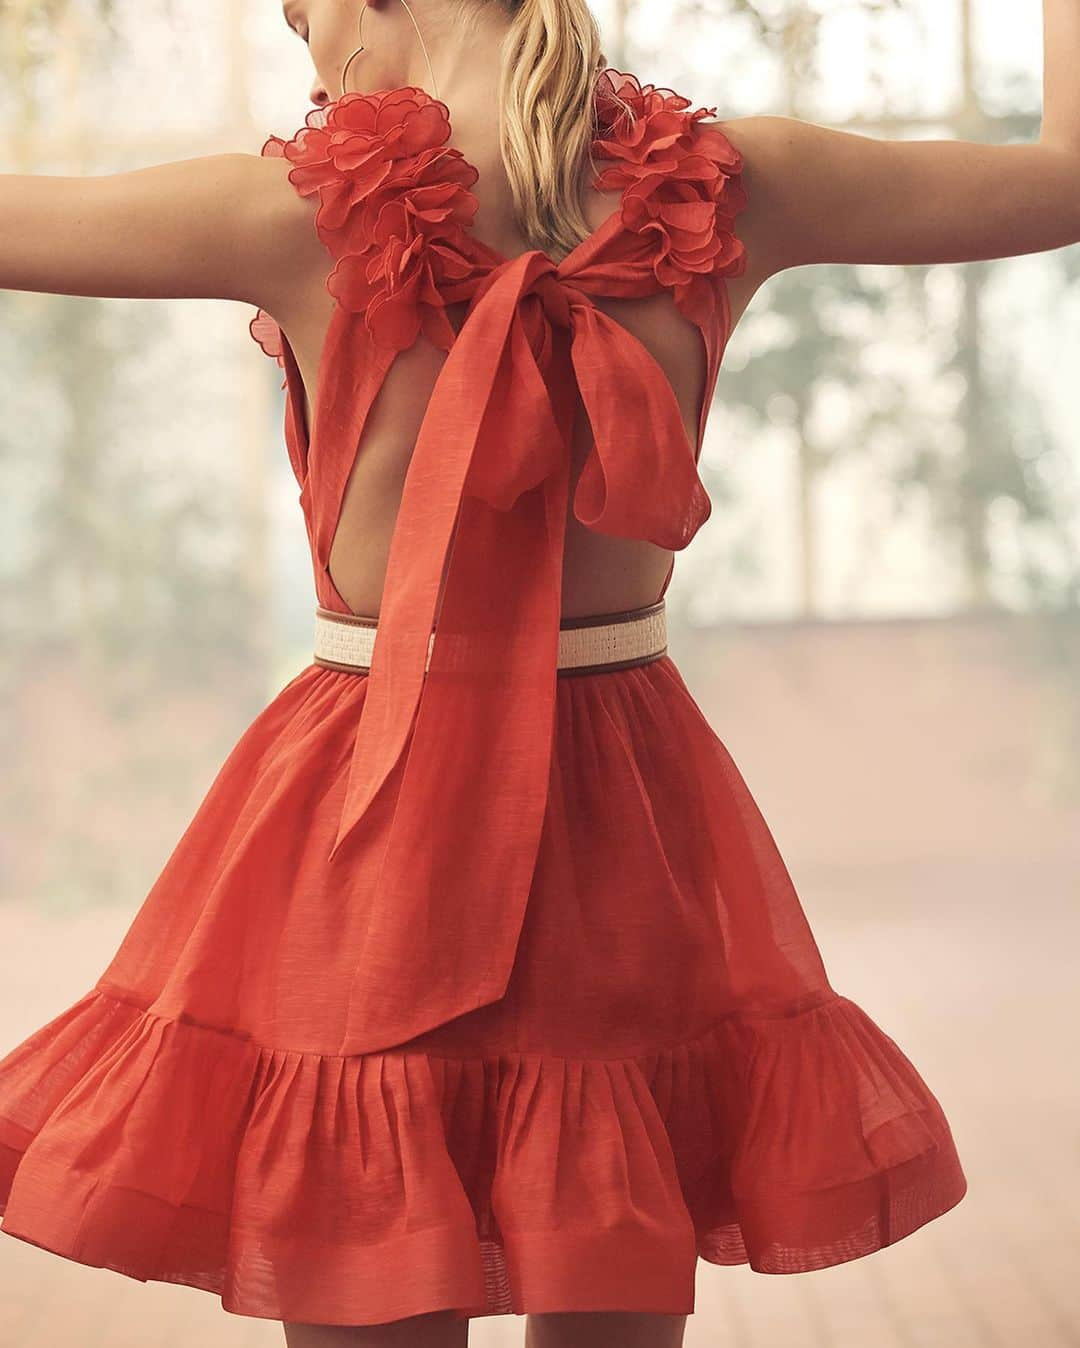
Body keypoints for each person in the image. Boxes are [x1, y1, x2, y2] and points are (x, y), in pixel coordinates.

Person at [0, 0, 1077, 1345]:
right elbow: (1069, 177)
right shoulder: (746, 186)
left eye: (299, 12)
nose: (305, 47)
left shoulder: (283, 213)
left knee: (359, 1236)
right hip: (624, 816)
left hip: (367, 822)